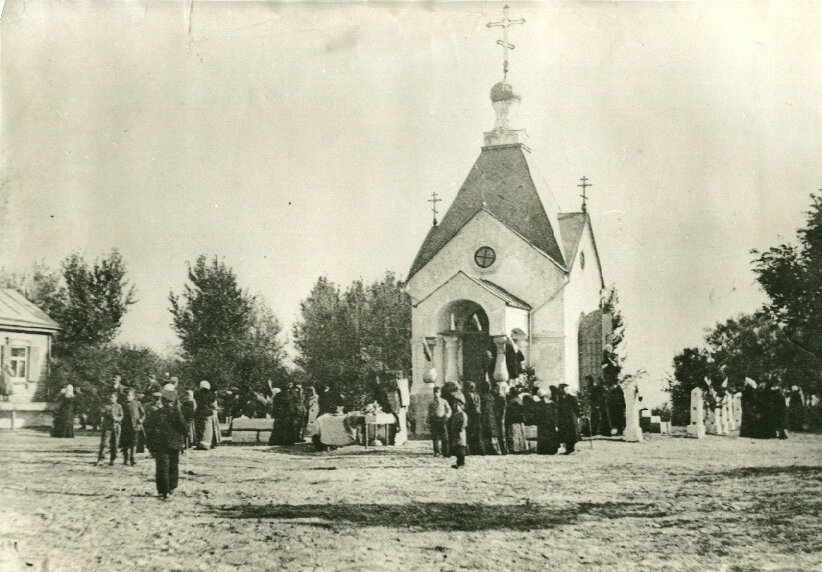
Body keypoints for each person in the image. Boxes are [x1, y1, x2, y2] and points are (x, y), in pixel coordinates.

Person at [144, 389, 188, 500]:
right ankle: (172, 486)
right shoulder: (177, 413)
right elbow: (184, 428)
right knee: (173, 465)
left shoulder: (156, 413)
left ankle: (163, 491)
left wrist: (149, 445)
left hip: (160, 444)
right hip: (174, 444)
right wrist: (183, 440)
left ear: (162, 401)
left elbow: (149, 430)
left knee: (162, 467)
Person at [120, 389, 145, 466]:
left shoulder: (137, 403)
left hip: (135, 426)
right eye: (127, 395)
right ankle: (125, 459)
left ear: (133, 396)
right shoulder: (122, 404)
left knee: (134, 443)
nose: (128, 397)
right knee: (125, 443)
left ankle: (132, 458)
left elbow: (143, 413)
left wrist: (141, 419)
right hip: (125, 426)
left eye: (130, 395)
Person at [97, 393, 123, 465]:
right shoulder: (105, 406)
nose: (111, 398)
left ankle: (112, 459)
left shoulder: (119, 406)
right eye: (110, 397)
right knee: (104, 443)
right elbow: (101, 415)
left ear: (116, 398)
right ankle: (101, 459)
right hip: (107, 427)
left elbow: (121, 416)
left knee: (115, 444)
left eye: (113, 397)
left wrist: (117, 418)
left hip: (116, 427)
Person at [478, 380, 501, 455]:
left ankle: (486, 449)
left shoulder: (481, 396)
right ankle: (495, 449)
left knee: (485, 433)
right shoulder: (491, 396)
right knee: (492, 433)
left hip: (484, 416)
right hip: (491, 416)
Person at [428, 386, 451, 457]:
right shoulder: (431, 402)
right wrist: (430, 418)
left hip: (442, 420)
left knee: (445, 437)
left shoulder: (444, 401)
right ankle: (437, 452)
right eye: (434, 392)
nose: (435, 394)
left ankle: (445, 452)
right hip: (434, 420)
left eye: (437, 392)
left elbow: (449, 409)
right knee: (435, 437)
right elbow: (429, 411)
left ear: (440, 393)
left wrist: (447, 416)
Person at [557, 384, 581, 454]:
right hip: (563, 418)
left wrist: (577, 416)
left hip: (570, 417)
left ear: (566, 389)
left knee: (571, 433)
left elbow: (576, 408)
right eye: (560, 389)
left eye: (563, 388)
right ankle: (568, 449)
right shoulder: (560, 398)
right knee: (565, 433)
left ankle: (571, 448)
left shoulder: (571, 397)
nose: (561, 390)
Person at [536, 388, 560, 455]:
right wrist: (555, 423)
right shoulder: (551, 403)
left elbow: (537, 414)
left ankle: (544, 450)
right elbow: (555, 413)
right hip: (550, 421)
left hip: (543, 422)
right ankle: (552, 449)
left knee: (544, 435)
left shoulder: (539, 403)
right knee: (550, 434)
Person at [463, 381, 484, 455]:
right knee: (469, 432)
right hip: (469, 415)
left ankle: (477, 450)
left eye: (473, 386)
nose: (472, 388)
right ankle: (469, 450)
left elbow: (479, 405)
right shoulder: (465, 396)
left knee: (477, 432)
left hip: (476, 415)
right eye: (471, 386)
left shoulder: (477, 395)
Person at [505, 388, 528, 453]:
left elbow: (510, 411)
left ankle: (515, 448)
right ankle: (522, 448)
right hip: (520, 419)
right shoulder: (519, 400)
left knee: (514, 434)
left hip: (513, 419)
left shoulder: (512, 401)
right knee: (520, 434)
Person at [193, 380, 215, 449]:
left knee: (199, 429)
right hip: (208, 412)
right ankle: (208, 444)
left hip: (200, 412)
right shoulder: (211, 394)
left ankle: (199, 444)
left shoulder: (197, 393)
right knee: (208, 430)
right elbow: (212, 402)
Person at [450, 395, 468, 469]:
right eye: (454, 405)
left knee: (461, 449)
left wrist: (460, 429)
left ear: (460, 406)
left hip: (460, 433)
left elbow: (464, 423)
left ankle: (462, 463)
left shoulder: (462, 414)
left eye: (457, 405)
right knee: (457, 449)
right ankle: (458, 462)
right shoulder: (456, 414)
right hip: (456, 433)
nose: (455, 406)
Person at [494, 383, 509, 455]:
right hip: (496, 416)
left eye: (494, 389)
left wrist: (501, 416)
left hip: (500, 417)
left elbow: (503, 408)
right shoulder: (497, 396)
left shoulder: (501, 397)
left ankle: (504, 449)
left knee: (502, 433)